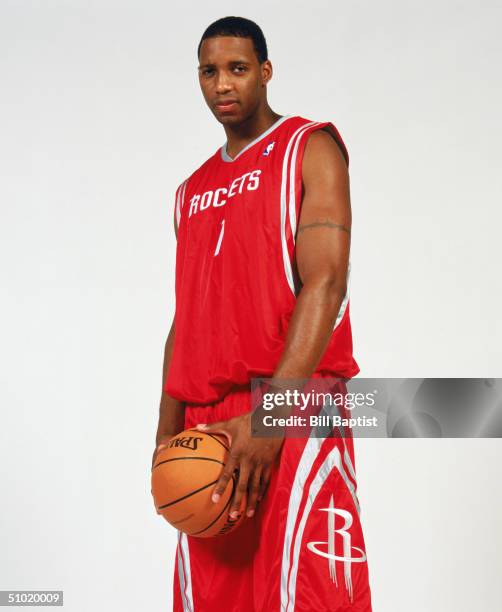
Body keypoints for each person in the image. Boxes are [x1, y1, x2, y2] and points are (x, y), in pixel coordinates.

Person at [152, 16, 372, 611]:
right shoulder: (191, 190)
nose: (223, 84)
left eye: (238, 69)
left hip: (293, 403)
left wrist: (270, 418)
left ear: (265, 73)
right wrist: (164, 435)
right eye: (209, 71)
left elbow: (325, 285)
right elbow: (185, 320)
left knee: (308, 595)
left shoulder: (310, 146)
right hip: (209, 429)